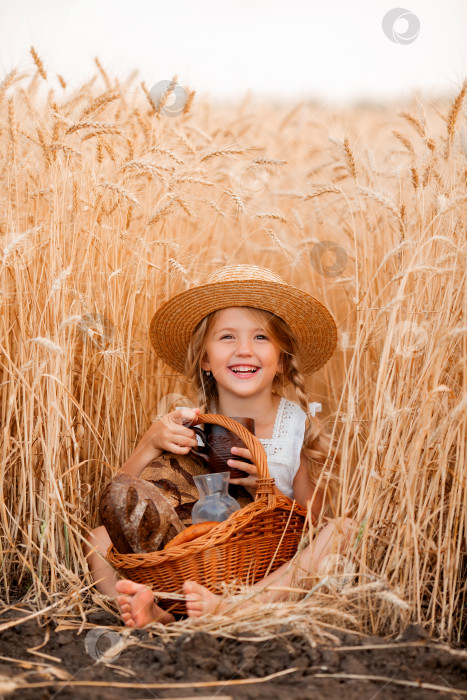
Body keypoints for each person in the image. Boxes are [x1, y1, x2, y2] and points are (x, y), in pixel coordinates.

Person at [84, 264, 355, 627]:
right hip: (195, 557)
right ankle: (159, 613)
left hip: (266, 562)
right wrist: (151, 442)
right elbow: (118, 500)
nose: (244, 350)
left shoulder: (295, 426)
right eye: (227, 337)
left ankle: (239, 608)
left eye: (261, 338)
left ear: (282, 361)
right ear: (206, 359)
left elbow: (313, 520)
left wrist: (267, 487)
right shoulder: (191, 422)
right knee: (98, 539)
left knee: (344, 530)